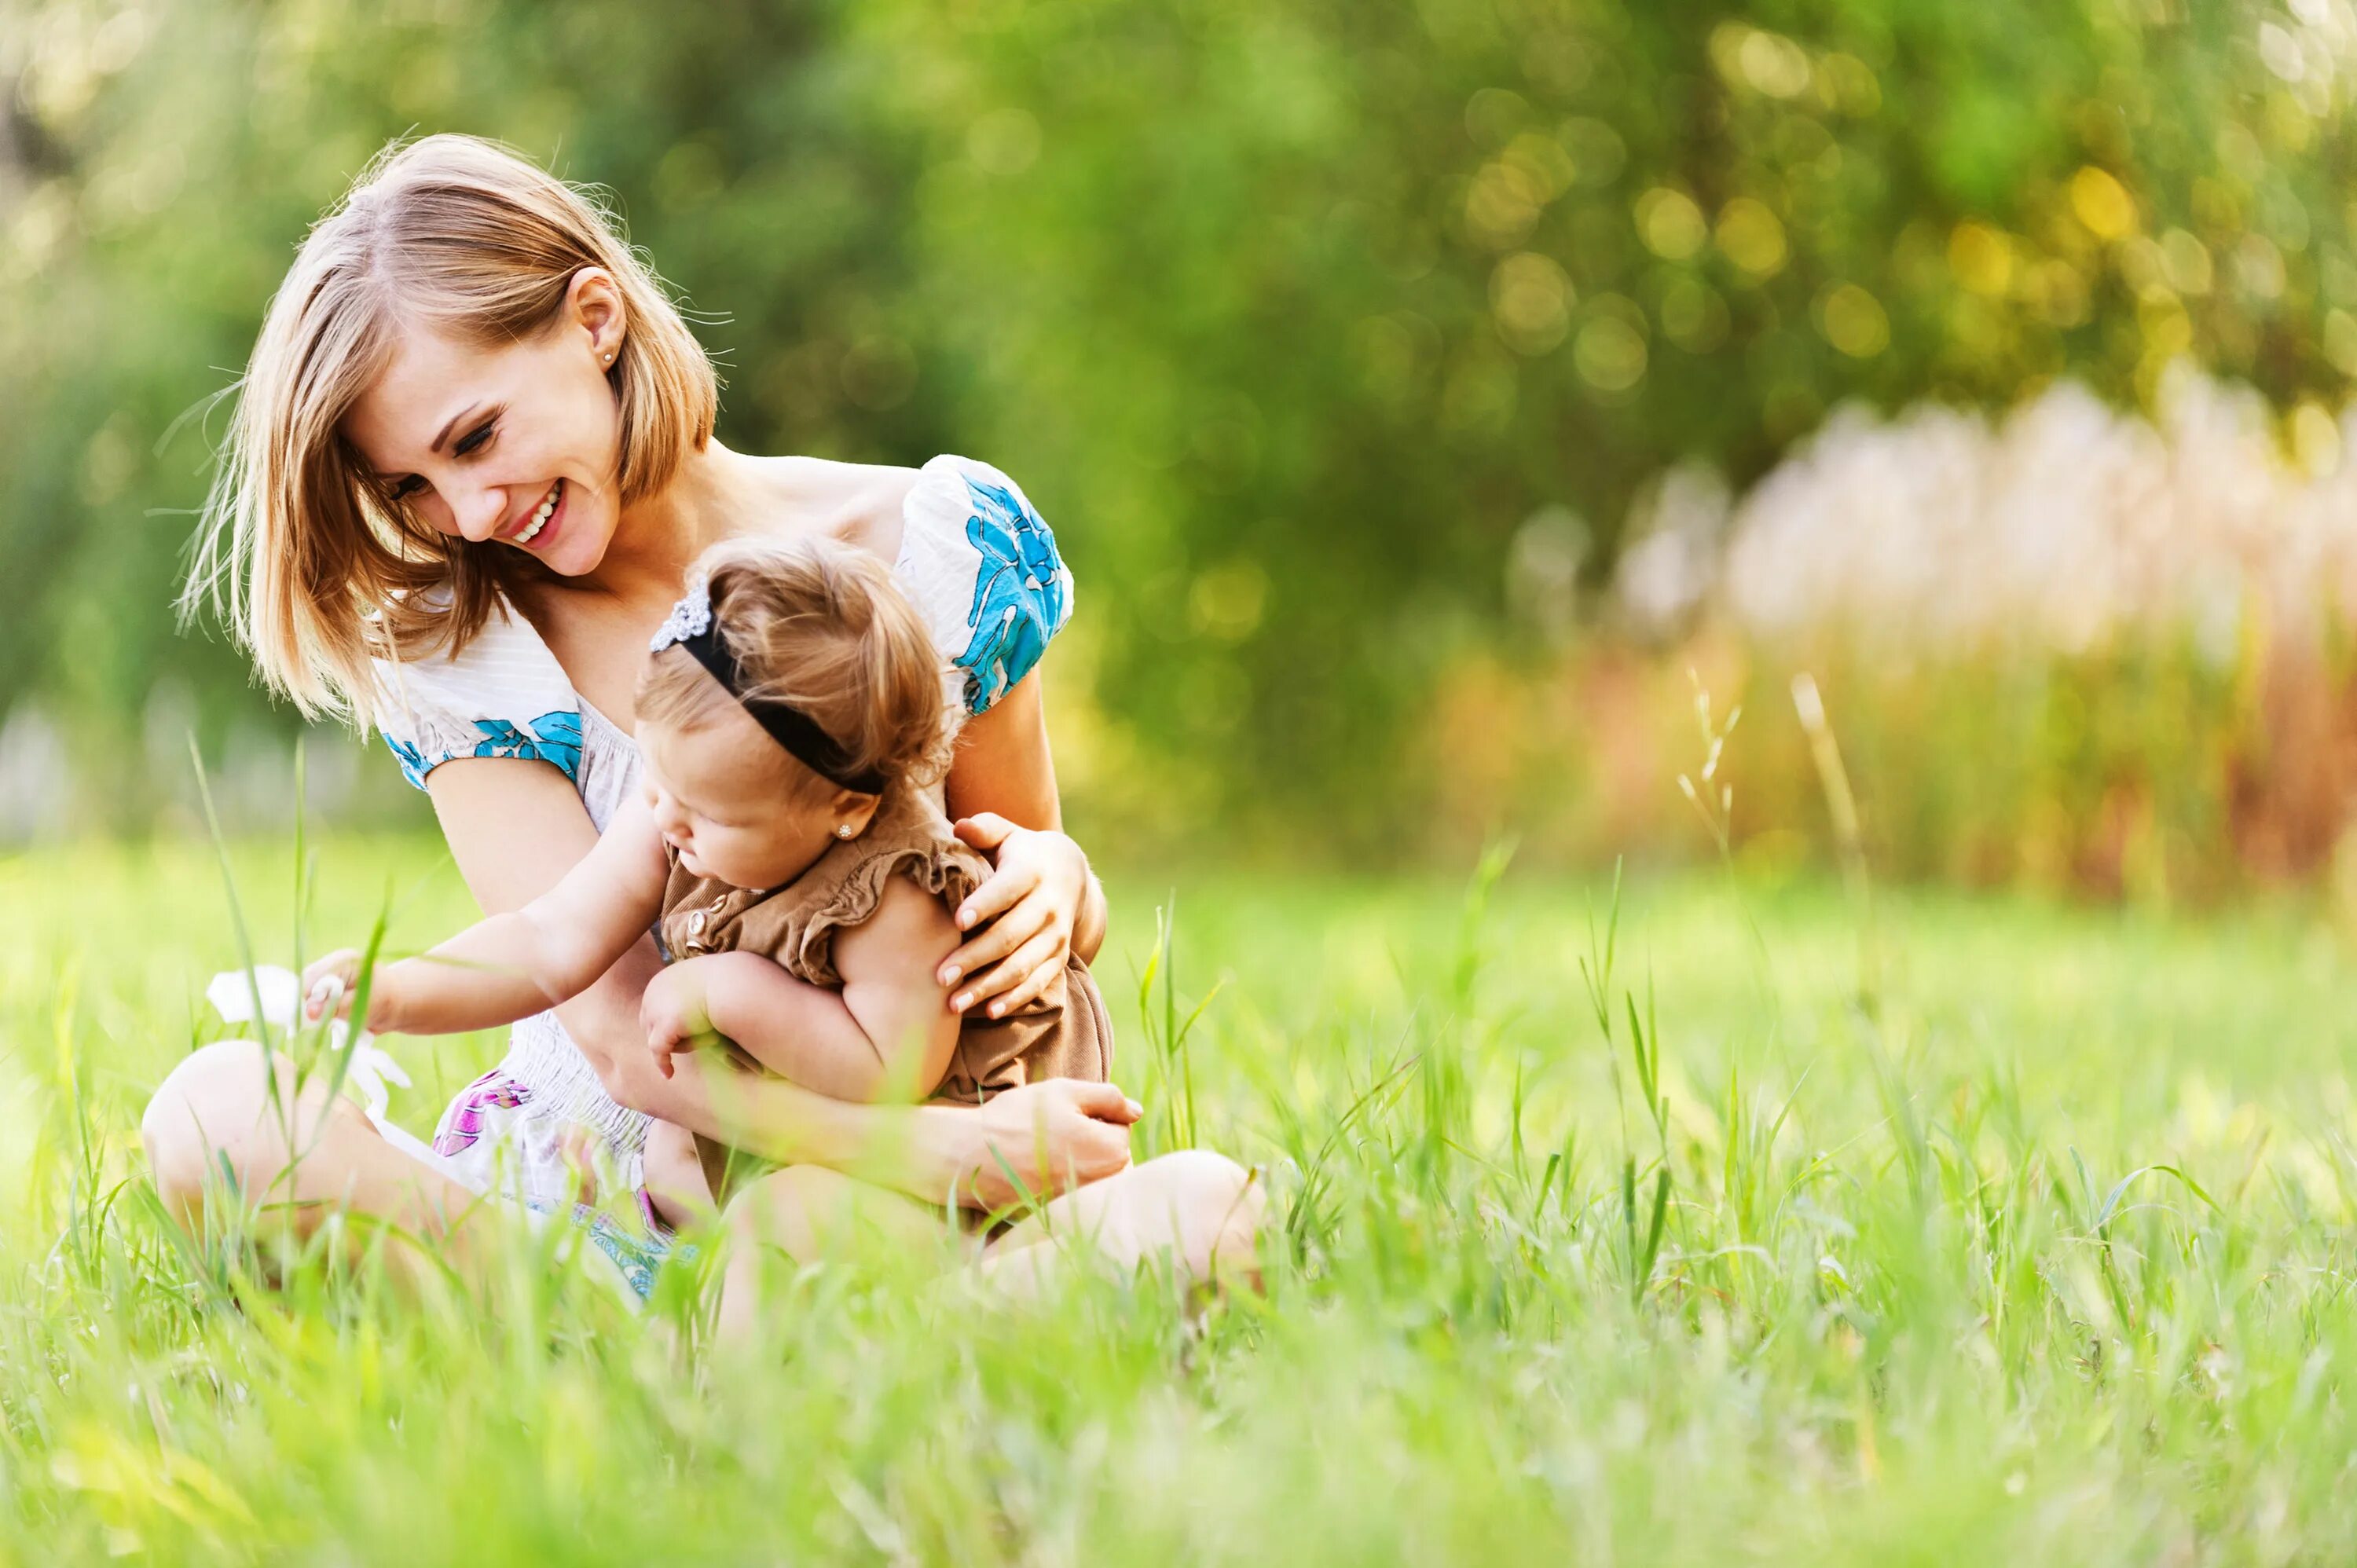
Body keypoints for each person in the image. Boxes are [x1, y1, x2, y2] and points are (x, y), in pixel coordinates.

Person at [141, 131, 1261, 1305]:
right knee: (218, 1119)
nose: (468, 511)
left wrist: (1054, 881)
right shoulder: (469, 651)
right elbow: (626, 1037)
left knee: (1211, 1214)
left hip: (902, 1216)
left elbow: (1015, 884)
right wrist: (930, 1148)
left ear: (595, 320)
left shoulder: (941, 545)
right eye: (410, 486)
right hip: (600, 1227)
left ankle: (797, 1362)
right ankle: (719, 1357)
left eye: (476, 438)